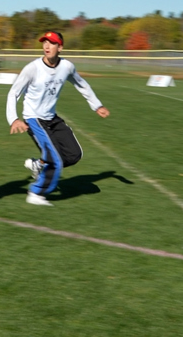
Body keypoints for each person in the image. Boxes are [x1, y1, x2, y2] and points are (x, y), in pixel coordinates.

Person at [7, 31, 109, 206]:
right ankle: (36, 193)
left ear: (60, 47)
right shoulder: (32, 68)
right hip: (34, 119)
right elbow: (14, 93)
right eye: (44, 42)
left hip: (52, 118)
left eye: (52, 43)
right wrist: (13, 119)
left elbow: (82, 84)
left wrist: (97, 105)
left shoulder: (67, 67)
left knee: (74, 154)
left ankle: (39, 164)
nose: (47, 46)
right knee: (55, 160)